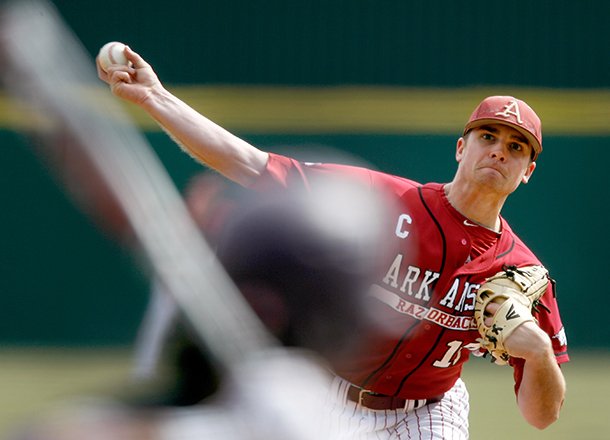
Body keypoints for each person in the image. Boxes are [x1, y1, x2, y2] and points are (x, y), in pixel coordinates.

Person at [96, 46, 568, 439]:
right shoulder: (380, 200)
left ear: (527, 172)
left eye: (516, 147)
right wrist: (156, 98)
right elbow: (248, 163)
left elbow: (541, 416)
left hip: (425, 414)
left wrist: (539, 354)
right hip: (324, 391)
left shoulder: (522, 274)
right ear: (461, 147)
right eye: (488, 135)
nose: (499, 151)